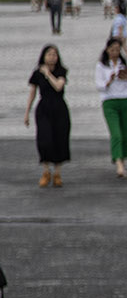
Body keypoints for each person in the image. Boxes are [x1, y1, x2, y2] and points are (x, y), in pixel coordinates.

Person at [26, 44, 71, 189]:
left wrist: (48, 74)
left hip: (59, 108)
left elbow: (59, 86)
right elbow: (32, 93)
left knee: (59, 139)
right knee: (44, 140)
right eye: (49, 54)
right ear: (43, 56)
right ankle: (46, 171)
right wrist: (27, 112)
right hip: (44, 108)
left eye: (54, 54)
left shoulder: (61, 71)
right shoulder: (37, 73)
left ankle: (57, 173)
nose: (52, 57)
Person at [95, 36, 127, 180]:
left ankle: (121, 158)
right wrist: (109, 80)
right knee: (116, 133)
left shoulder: (125, 63)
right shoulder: (101, 65)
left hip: (125, 100)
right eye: (112, 49)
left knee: (125, 133)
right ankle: (119, 163)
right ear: (107, 50)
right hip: (109, 101)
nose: (115, 52)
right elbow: (99, 85)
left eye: (117, 49)